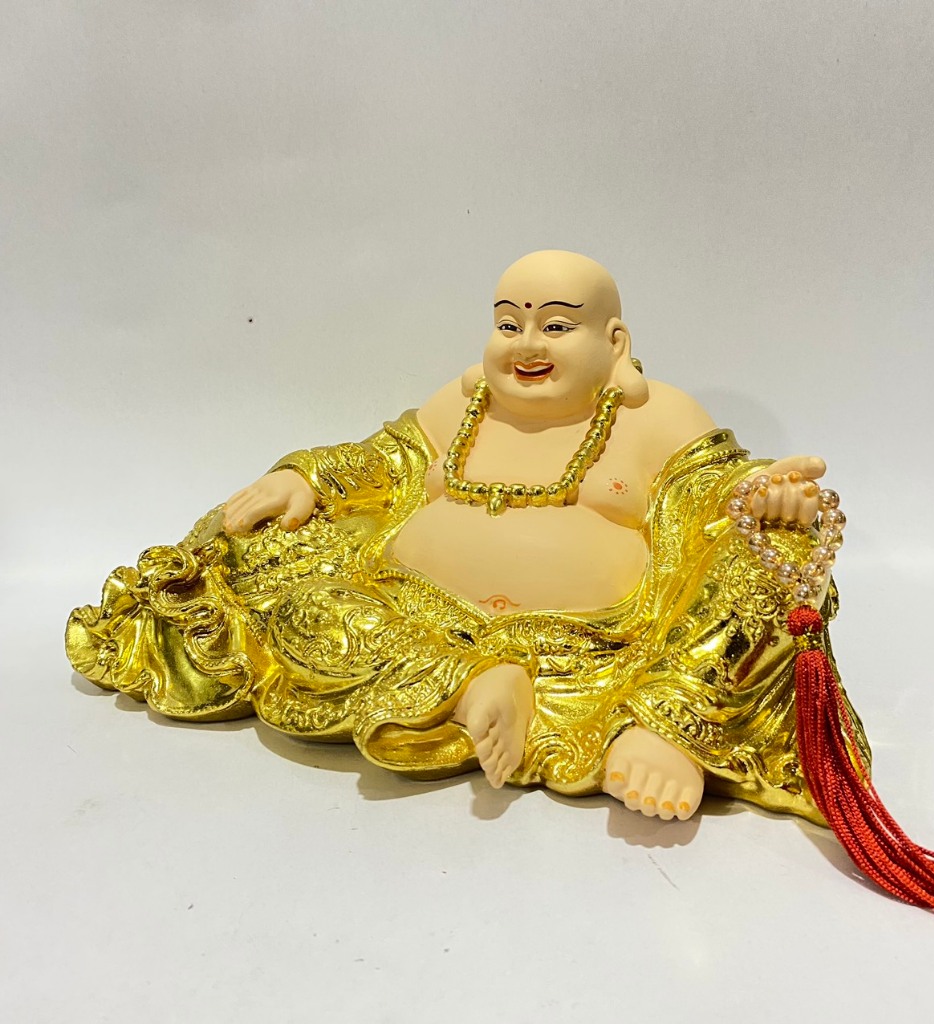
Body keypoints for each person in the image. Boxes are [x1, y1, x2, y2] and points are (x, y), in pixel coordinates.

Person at [66, 250, 867, 824]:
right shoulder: (463, 404)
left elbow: (713, 493)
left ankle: (662, 727)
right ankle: (473, 684)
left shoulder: (656, 417)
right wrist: (307, 477)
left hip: (600, 652)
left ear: (615, 343)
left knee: (781, 557)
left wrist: (767, 497)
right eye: (508, 323)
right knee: (278, 578)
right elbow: (385, 460)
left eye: (557, 325)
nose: (527, 344)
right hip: (408, 619)